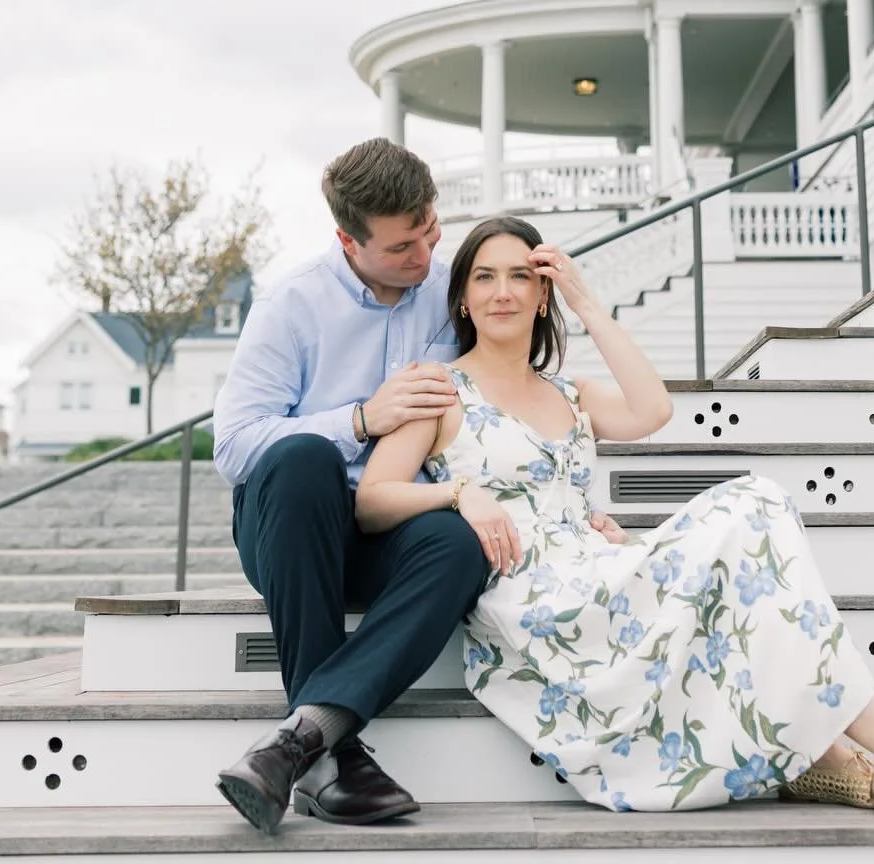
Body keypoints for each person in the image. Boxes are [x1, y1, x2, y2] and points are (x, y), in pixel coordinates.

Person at [356, 215, 874, 819]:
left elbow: (653, 409)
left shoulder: (571, 392)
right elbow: (373, 499)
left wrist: (586, 300)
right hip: (530, 600)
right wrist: (457, 496)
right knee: (748, 511)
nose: (502, 291)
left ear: (542, 298)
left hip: (596, 568)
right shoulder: (441, 390)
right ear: (465, 300)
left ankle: (824, 754)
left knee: (756, 506)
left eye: (519, 278)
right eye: (484, 278)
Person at [209, 139, 630, 835]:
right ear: (349, 240)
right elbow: (234, 447)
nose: (426, 255)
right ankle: (338, 755)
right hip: (292, 525)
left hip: (395, 521)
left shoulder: (451, 290)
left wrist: (571, 503)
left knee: (458, 541)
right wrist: (361, 419)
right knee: (306, 457)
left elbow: (517, 406)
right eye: (404, 245)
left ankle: (303, 740)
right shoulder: (290, 306)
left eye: (432, 230)